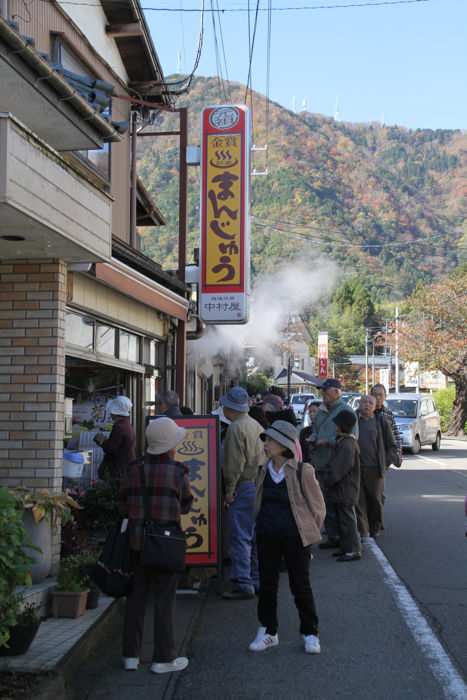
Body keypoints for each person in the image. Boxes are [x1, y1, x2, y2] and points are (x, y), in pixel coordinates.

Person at [120, 417, 193, 674]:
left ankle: (130, 656)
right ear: (171, 445)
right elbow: (186, 503)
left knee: (136, 598)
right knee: (164, 600)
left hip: (136, 542)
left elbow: (123, 501)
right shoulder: (178, 471)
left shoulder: (133, 468)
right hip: (165, 543)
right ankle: (163, 659)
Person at [250, 420, 325, 654]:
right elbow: (257, 502)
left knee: (300, 584)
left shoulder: (303, 470)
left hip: (295, 537)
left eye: (270, 440)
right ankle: (268, 631)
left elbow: (318, 508)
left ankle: (310, 632)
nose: (265, 444)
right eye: (266, 440)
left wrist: (310, 533)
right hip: (266, 534)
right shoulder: (262, 470)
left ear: (283, 444)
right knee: (268, 584)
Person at [221, 387, 265, 599]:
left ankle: (242, 582)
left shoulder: (235, 428)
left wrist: (229, 491)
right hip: (257, 482)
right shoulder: (254, 424)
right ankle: (255, 579)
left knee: (240, 535)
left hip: (243, 485)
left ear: (230, 407)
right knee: (254, 535)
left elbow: (233, 465)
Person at [309, 379, 358, 549]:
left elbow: (351, 437)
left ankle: (349, 545)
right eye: (322, 391)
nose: (322, 394)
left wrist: (328, 441)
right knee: (325, 503)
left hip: (336, 464)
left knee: (343, 507)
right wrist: (314, 437)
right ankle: (333, 537)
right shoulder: (322, 409)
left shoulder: (345, 411)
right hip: (320, 461)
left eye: (325, 391)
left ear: (336, 392)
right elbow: (315, 428)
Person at [322, 410, 361, 562]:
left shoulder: (347, 444)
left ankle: (353, 550)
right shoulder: (345, 441)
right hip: (344, 488)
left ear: (343, 425)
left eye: (337, 424)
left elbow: (340, 468)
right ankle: (346, 547)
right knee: (343, 519)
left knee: (348, 520)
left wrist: (328, 479)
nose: (335, 427)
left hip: (346, 488)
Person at [356, 395, 397, 538]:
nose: (366, 405)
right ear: (359, 404)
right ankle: (363, 530)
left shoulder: (381, 421)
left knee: (375, 500)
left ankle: (375, 527)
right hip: (356, 468)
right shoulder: (354, 420)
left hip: (375, 468)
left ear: (375, 406)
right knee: (359, 500)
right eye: (364, 402)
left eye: (370, 403)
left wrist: (385, 463)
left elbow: (392, 446)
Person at [95, 396, 136, 481]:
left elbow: (111, 449)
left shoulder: (119, 426)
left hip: (119, 470)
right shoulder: (126, 424)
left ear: (115, 412)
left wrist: (101, 441)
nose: (110, 413)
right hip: (125, 467)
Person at [371, 384, 402, 465]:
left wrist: (398, 453)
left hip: (384, 457)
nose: (377, 397)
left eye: (380, 395)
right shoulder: (364, 413)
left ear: (385, 396)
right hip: (368, 457)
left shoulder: (388, 413)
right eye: (375, 395)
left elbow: (395, 434)